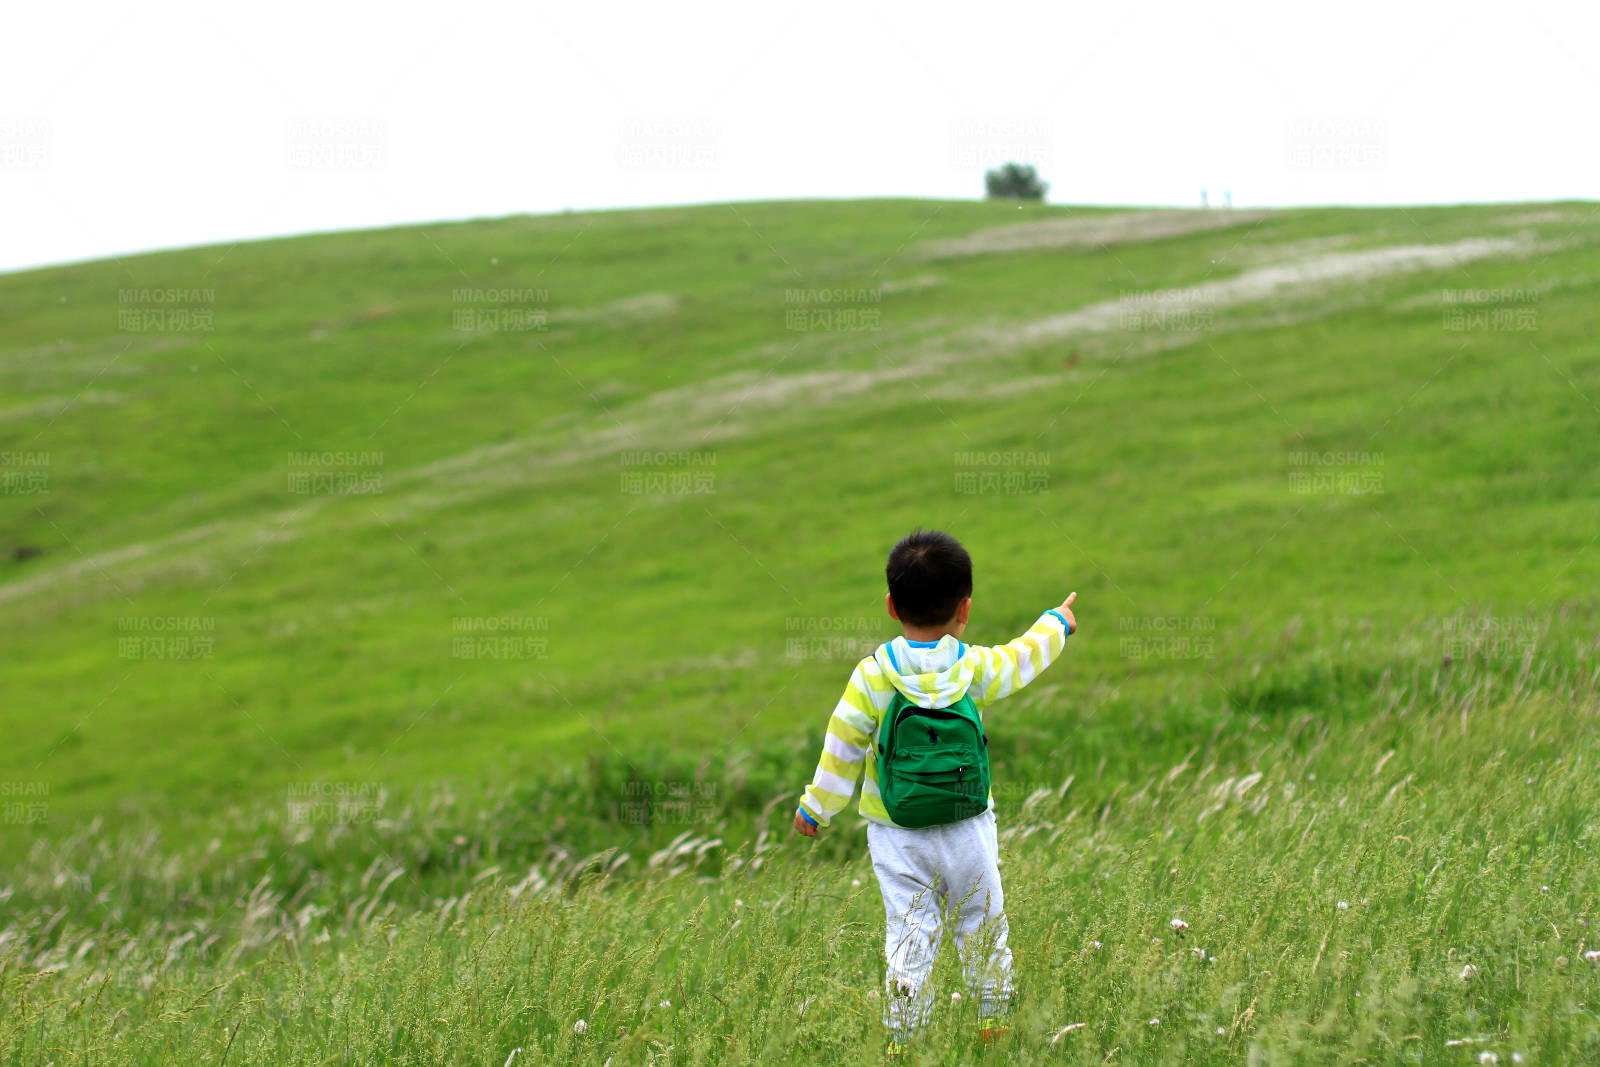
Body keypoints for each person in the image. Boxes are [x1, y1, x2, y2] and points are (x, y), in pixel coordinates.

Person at [793, 529, 1077, 1053]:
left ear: (890, 604)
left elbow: (844, 745)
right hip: (968, 827)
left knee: (908, 935)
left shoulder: (872, 676)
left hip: (898, 834)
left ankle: (905, 1043)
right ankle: (995, 1031)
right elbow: (1021, 658)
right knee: (983, 925)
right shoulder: (972, 669)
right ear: (964, 608)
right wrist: (1057, 623)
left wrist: (817, 806)